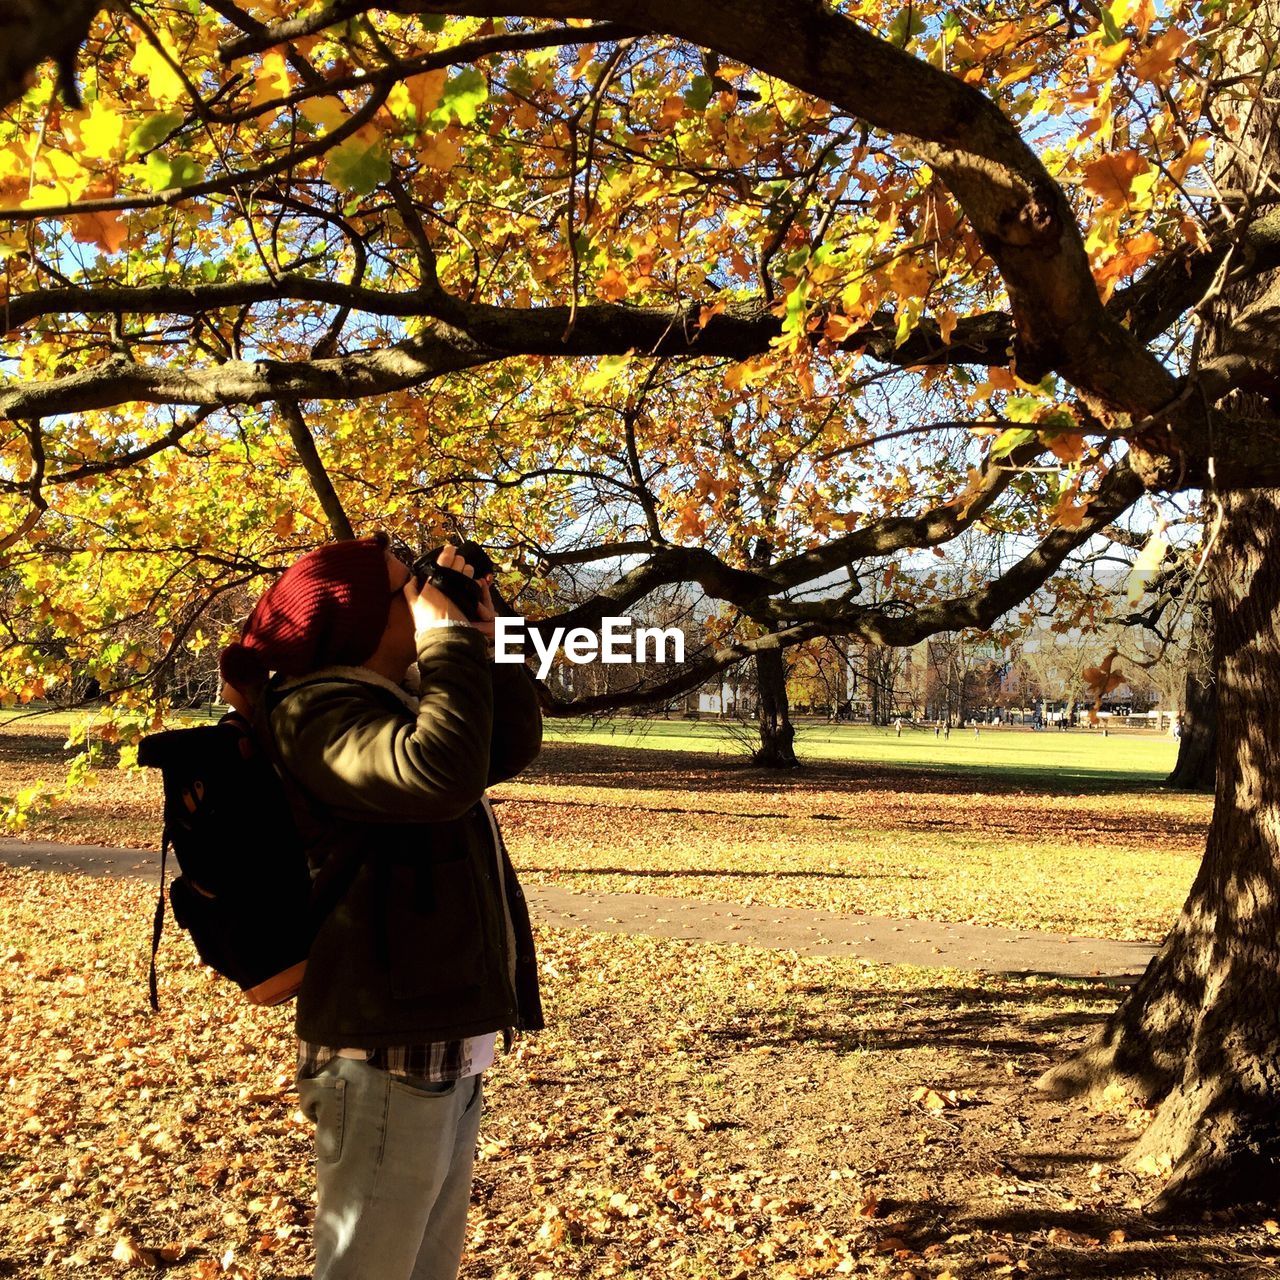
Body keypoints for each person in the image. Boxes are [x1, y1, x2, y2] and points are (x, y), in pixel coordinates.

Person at [218, 533, 544, 1280]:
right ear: (360, 620)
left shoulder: (386, 702)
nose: (422, 597)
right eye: (407, 588)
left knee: (424, 1266)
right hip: (384, 1051)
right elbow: (440, 774)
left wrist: (489, 646)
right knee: (369, 1269)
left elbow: (502, 748)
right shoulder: (314, 714)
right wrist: (449, 646)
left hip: (438, 1033)